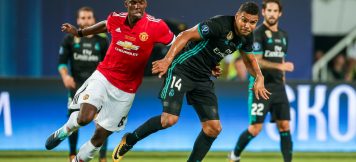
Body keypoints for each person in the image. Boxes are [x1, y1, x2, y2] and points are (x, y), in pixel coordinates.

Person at [112, 2, 270, 162]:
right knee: (169, 120)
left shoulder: (247, 37)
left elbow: (249, 60)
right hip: (182, 69)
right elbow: (184, 35)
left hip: (202, 77)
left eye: (252, 22)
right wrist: (167, 60)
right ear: (237, 16)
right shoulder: (219, 24)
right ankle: (130, 140)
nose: (247, 25)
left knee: (213, 129)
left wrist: (259, 77)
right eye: (244, 20)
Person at [45, 0, 175, 161]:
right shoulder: (116, 18)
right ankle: (66, 129)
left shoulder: (156, 26)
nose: (137, 6)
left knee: (100, 136)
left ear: (145, 4)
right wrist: (79, 33)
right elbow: (105, 25)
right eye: (133, 2)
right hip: (104, 77)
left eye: (141, 2)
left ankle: (78, 159)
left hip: (127, 89)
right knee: (84, 118)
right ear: (126, 3)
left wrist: (168, 60)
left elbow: (178, 42)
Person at [228, 0, 294, 162]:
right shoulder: (257, 33)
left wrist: (282, 81)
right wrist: (280, 66)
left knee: (285, 126)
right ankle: (234, 156)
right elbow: (256, 60)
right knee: (255, 128)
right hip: (260, 87)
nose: (272, 13)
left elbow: (282, 60)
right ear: (263, 12)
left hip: (279, 88)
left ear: (280, 14)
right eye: (269, 10)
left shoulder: (284, 36)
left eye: (275, 10)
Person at [58, 6, 109, 162]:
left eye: (89, 18)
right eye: (83, 18)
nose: (86, 21)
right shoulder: (69, 39)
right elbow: (62, 63)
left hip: (97, 85)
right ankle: (72, 154)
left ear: (94, 20)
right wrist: (66, 77)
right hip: (76, 86)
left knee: (102, 122)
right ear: (78, 20)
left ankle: (102, 157)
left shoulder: (102, 39)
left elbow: (108, 63)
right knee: (74, 120)